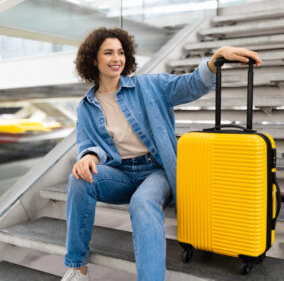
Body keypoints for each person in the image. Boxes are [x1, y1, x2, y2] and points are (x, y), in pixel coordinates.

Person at [61, 27, 261, 281]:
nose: (116, 59)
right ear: (93, 60)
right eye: (108, 53)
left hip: (156, 170)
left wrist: (213, 61)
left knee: (143, 202)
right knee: (78, 179)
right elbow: (88, 142)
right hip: (120, 173)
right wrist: (88, 156)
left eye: (121, 52)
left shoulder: (148, 86)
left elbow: (189, 85)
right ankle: (77, 267)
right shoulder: (87, 105)